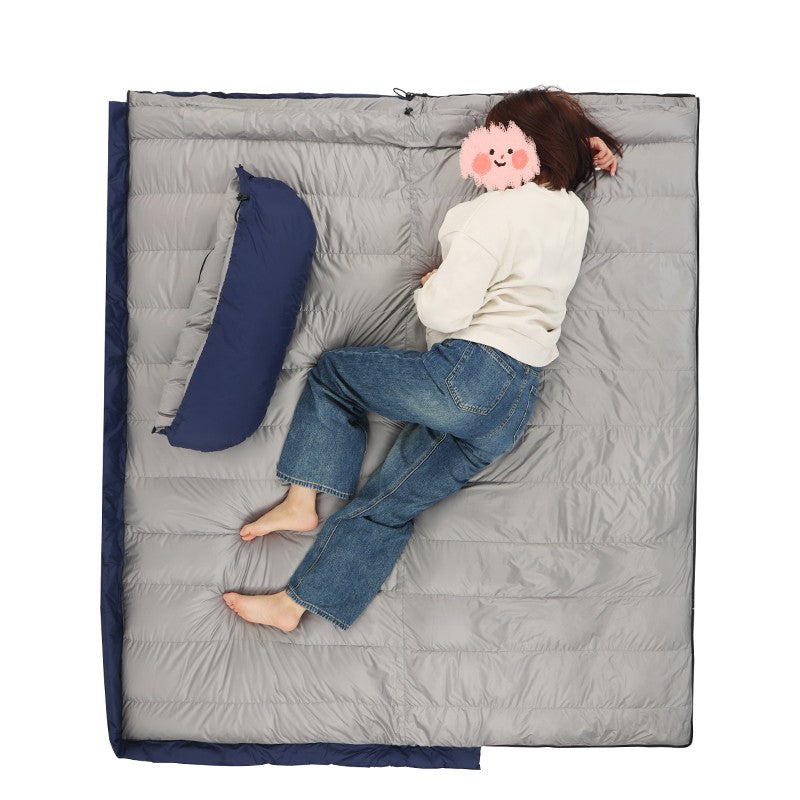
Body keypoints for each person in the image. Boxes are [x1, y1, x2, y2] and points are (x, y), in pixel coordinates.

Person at [223, 87, 624, 632]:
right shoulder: (572, 212)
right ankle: (293, 607)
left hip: (471, 373)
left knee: (335, 375)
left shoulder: (489, 213)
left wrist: (431, 284)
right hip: (514, 402)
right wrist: (590, 147)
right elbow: (561, 175)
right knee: (390, 503)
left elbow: (447, 311)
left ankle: (302, 498)